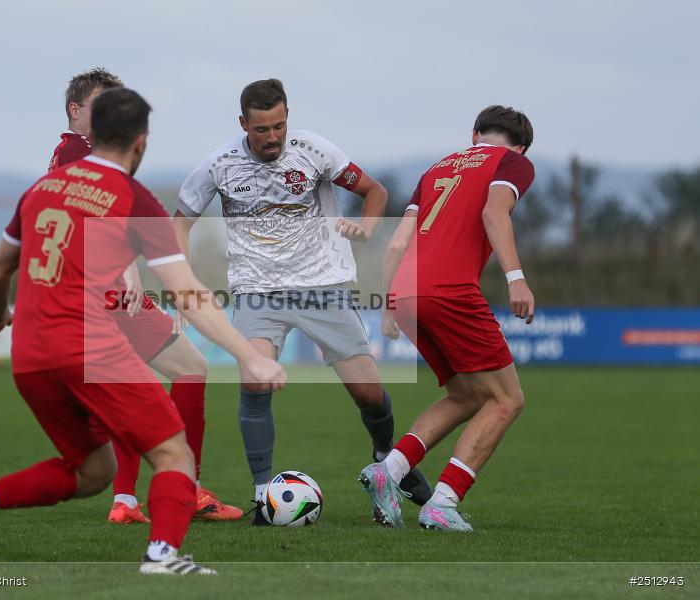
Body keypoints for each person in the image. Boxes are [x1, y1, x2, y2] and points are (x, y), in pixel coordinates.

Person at [0, 88, 286, 574]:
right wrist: (248, 355)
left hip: (30, 354)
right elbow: (186, 292)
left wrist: (0, 316)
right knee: (175, 456)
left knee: (92, 472)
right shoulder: (134, 198)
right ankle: (162, 555)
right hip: (89, 342)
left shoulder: (40, 191)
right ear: (141, 143)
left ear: (94, 132)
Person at [173, 79, 430, 525]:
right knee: (254, 383)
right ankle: (262, 498)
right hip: (257, 291)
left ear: (287, 117)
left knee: (369, 393)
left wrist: (368, 227)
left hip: (324, 285)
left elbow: (375, 192)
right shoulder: (219, 165)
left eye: (279, 126)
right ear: (243, 124)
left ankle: (388, 461)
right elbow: (178, 224)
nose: (272, 137)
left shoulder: (313, 151)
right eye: (261, 129)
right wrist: (181, 283)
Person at [49, 68, 242, 523]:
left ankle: (124, 502)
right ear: (76, 111)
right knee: (192, 369)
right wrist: (127, 271)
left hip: (85, 294)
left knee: (137, 389)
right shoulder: (82, 150)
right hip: (106, 293)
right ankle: (187, 490)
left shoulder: (68, 152)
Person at [360, 105, 536, 531]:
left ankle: (389, 471)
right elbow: (493, 214)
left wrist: (387, 305)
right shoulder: (514, 162)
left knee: (466, 395)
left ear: (474, 135)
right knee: (507, 399)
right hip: (450, 289)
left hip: (407, 289)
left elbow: (398, 243)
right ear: (524, 146)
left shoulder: (436, 170)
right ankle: (443, 502)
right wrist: (516, 278)